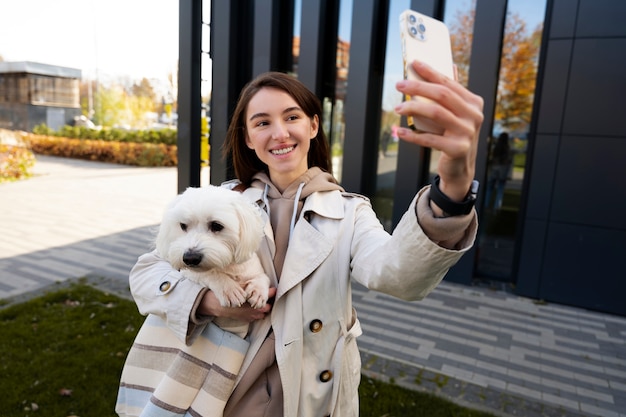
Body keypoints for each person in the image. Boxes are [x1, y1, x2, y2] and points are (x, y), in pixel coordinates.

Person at [127, 60, 484, 417]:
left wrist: (451, 192)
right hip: (218, 391)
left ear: (314, 125)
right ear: (248, 138)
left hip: (305, 397)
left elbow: (398, 277)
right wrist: (208, 301)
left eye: (292, 117)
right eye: (262, 122)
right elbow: (145, 275)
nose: (279, 133)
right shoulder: (217, 203)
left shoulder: (350, 212)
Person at [485, 132, 513, 209]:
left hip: (494, 169)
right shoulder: (507, 149)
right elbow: (508, 161)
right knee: (500, 190)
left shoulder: (496, 148)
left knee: (489, 188)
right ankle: (496, 207)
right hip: (502, 172)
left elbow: (492, 159)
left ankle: (485, 204)